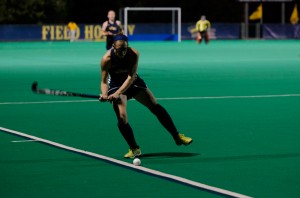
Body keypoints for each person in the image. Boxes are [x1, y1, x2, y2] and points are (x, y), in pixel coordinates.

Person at [99, 34, 193, 158]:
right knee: (122, 117)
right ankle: (134, 148)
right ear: (113, 47)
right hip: (116, 84)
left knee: (155, 106)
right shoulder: (107, 59)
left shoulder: (133, 54)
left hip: (132, 82)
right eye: (119, 50)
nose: (122, 53)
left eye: (125, 50)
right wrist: (105, 94)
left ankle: (177, 136)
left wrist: (118, 93)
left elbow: (130, 77)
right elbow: (104, 81)